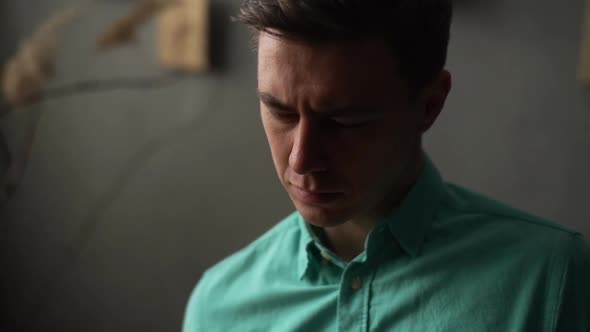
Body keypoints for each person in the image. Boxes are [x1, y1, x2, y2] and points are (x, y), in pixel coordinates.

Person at [182, 0, 590, 331]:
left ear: (430, 104)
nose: (301, 159)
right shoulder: (219, 306)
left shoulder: (551, 280)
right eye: (281, 112)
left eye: (344, 122)